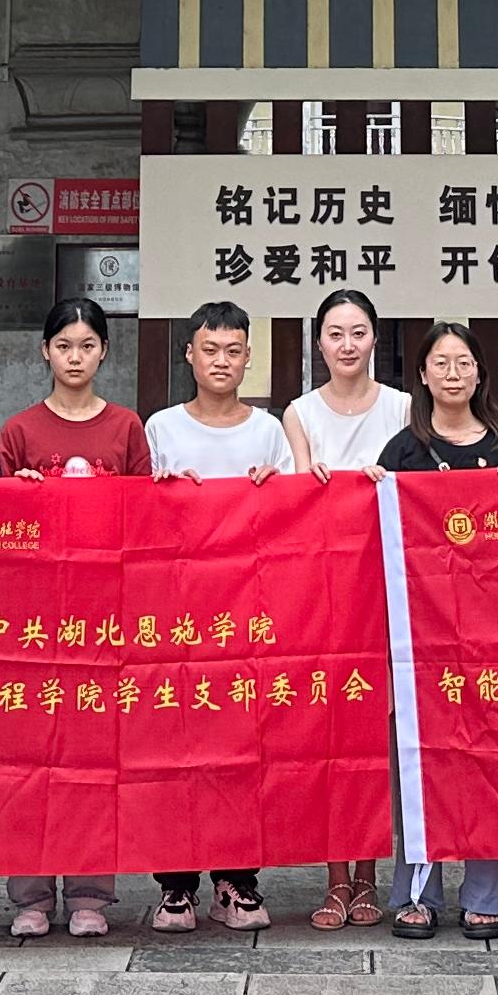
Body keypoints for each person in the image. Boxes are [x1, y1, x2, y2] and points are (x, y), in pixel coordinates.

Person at [144, 298, 299, 933]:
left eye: (234, 351)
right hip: (177, 617)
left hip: (248, 618)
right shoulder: (160, 428)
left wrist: (276, 487)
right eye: (210, 350)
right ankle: (175, 883)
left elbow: (296, 524)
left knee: (244, 749)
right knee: (175, 747)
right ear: (189, 354)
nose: (222, 361)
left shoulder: (267, 432)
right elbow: (140, 516)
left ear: (248, 358)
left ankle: (237, 880)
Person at [0, 295, 141, 938]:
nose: (75, 357)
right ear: (44, 352)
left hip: (103, 617)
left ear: (103, 351)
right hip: (33, 619)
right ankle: (29, 894)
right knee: (29, 758)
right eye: (63, 345)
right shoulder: (19, 431)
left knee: (92, 758)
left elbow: (147, 522)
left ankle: (88, 892)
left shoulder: (126, 428)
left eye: (87, 345)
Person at [376, 322, 498, 940]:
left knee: (492, 754)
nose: (454, 373)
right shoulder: (401, 451)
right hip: (422, 632)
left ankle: (487, 890)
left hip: (494, 631)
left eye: (464, 362)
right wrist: (375, 491)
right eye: (441, 363)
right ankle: (419, 888)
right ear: (423, 375)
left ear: (479, 373)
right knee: (422, 754)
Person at [284, 288, 402, 932]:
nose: (347, 344)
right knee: (332, 732)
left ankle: (371, 877)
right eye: (335, 333)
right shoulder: (299, 413)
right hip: (327, 595)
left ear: (374, 339)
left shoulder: (406, 408)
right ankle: (334, 879)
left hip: (389, 592)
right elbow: (297, 503)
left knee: (378, 736)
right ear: (319, 342)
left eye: (358, 332)